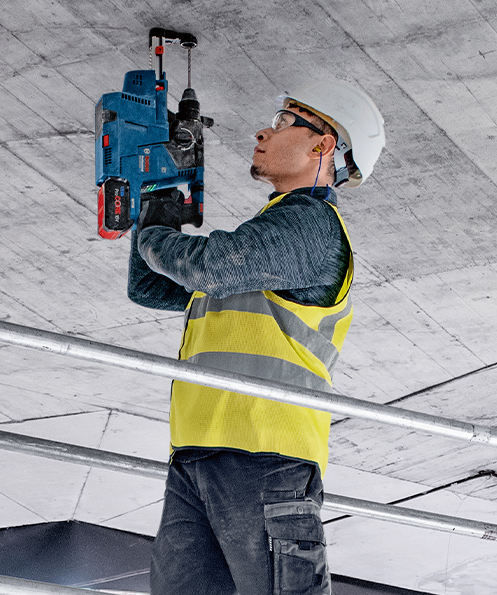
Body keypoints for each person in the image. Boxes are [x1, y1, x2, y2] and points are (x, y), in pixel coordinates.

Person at [128, 80, 385, 595]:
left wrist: (157, 230)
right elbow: (150, 287)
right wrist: (156, 199)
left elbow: (210, 266)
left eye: (287, 121)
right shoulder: (264, 244)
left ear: (324, 144)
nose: (264, 130)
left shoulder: (311, 225)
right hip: (197, 453)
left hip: (266, 457)